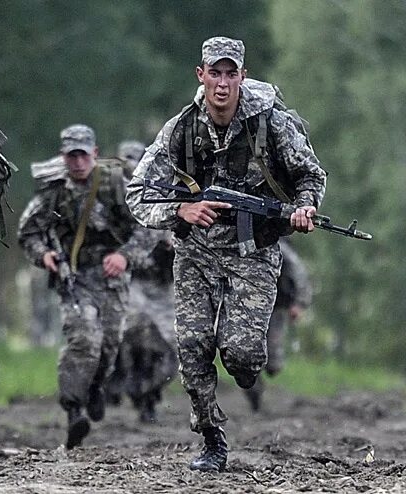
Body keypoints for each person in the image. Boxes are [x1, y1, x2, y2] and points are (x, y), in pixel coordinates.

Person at [126, 36, 327, 472]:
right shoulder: (180, 128)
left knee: (242, 355)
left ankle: (247, 371)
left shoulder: (269, 123)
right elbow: (137, 193)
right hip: (195, 253)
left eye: (229, 73)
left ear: (242, 76)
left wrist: (305, 207)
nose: (221, 83)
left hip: (253, 250)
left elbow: (309, 174)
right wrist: (180, 209)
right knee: (193, 345)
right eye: (213, 73)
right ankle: (212, 440)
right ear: (201, 75)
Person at [17, 124, 148, 449]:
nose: (77, 163)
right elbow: (28, 232)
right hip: (73, 276)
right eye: (71, 156)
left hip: (112, 277)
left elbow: (149, 227)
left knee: (108, 345)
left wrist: (124, 256)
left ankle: (96, 387)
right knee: (82, 339)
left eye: (82, 155)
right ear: (64, 157)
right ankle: (74, 410)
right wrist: (44, 255)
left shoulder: (116, 185)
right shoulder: (54, 191)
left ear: (94, 154)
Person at [104, 141, 178, 424]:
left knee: (173, 350)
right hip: (129, 283)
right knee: (123, 336)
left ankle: (148, 394)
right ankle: (118, 383)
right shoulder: (112, 202)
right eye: (127, 163)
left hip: (162, 287)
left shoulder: (164, 197)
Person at [244, 238, 312, 411]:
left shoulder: (282, 248)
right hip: (247, 305)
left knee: (273, 362)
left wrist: (299, 303)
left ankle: (263, 373)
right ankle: (255, 393)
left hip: (276, 306)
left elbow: (299, 273)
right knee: (246, 355)